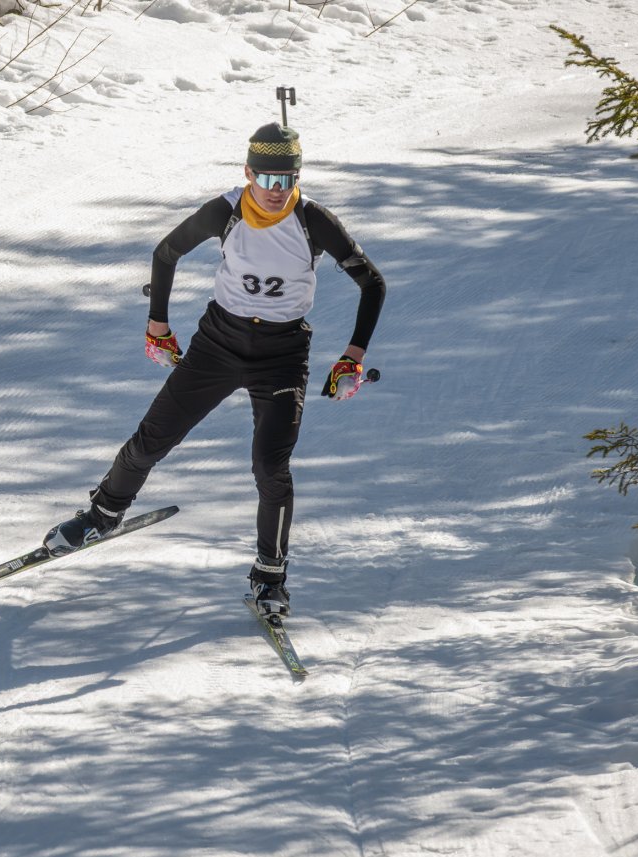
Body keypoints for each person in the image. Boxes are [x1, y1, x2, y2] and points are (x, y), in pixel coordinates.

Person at [44, 122, 386, 620]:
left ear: (297, 178)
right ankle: (103, 513)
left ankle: (271, 574)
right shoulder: (225, 211)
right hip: (218, 345)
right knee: (152, 439)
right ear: (248, 173)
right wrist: (158, 325)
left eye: (287, 180)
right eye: (266, 179)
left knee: (271, 468)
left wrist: (352, 356)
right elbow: (166, 253)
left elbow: (372, 283)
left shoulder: (313, 220)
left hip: (282, 355)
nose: (276, 191)